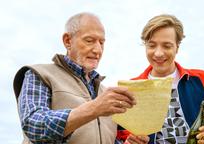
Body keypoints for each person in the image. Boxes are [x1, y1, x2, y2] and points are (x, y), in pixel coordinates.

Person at [13, 12, 149, 144]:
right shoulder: (39, 74)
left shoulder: (104, 93)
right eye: (89, 41)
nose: (98, 50)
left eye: (101, 43)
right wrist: (94, 108)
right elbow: (33, 125)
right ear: (67, 41)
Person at [116, 14, 204, 144]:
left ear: (177, 47)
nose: (158, 53)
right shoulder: (130, 90)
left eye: (166, 46)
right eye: (152, 45)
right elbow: (120, 136)